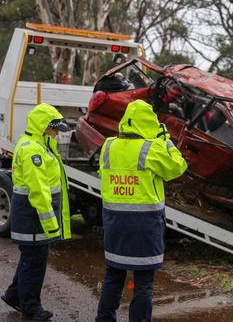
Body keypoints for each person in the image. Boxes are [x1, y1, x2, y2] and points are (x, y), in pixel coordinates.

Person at [95, 100, 187, 322]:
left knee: (113, 276)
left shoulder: (108, 145)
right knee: (143, 283)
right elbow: (178, 166)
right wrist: (165, 140)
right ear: (148, 124)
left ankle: (104, 319)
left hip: (114, 222)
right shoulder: (151, 148)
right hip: (144, 225)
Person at [1, 103, 71, 321]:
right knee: (34, 263)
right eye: (55, 129)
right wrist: (51, 224)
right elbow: (39, 192)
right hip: (33, 217)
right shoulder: (33, 150)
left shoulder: (41, 145)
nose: (57, 133)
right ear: (43, 127)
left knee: (30, 259)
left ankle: (14, 295)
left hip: (32, 217)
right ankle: (31, 308)